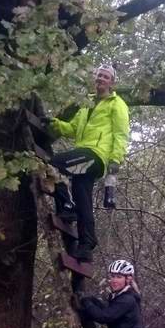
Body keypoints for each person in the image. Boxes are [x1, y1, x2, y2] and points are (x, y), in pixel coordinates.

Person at [48, 64, 129, 264]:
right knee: (82, 197)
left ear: (112, 82)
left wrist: (115, 160)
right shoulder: (86, 104)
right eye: (99, 75)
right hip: (84, 153)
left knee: (54, 163)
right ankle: (86, 244)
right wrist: (54, 123)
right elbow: (72, 129)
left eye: (105, 77)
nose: (101, 79)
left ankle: (66, 205)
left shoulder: (117, 104)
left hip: (96, 155)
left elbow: (121, 134)